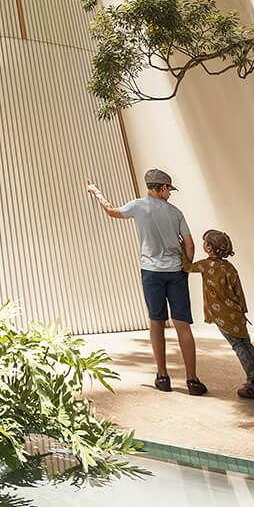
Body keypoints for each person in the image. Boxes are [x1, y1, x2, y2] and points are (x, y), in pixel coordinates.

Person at [86, 169, 207, 395]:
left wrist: (97, 193)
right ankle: (192, 381)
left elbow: (111, 211)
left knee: (156, 322)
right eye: (169, 190)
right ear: (161, 188)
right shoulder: (176, 213)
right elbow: (189, 245)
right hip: (176, 272)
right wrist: (186, 268)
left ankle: (163, 377)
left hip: (151, 272)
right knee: (182, 325)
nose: (170, 194)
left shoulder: (137, 206)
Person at [184, 229, 254, 401]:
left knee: (239, 347)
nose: (203, 244)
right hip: (236, 315)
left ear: (209, 248)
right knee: (246, 345)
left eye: (205, 242)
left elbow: (186, 267)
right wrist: (243, 312)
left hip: (223, 317)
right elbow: (238, 291)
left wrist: (183, 249)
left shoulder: (206, 265)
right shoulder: (230, 267)